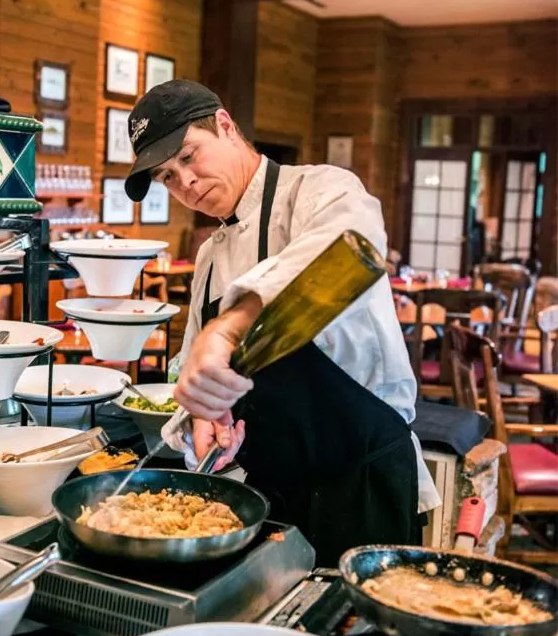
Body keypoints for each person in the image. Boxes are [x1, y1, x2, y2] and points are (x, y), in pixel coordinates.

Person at [124, 79, 440, 564]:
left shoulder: (320, 191)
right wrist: (201, 417)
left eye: (188, 157)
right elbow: (195, 367)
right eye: (166, 176)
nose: (184, 183)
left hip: (362, 483)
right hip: (270, 491)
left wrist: (228, 327)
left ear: (225, 126)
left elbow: (349, 250)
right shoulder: (209, 258)